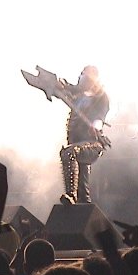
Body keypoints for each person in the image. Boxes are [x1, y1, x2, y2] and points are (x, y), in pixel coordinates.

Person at [57, 65, 110, 205]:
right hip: (77, 142)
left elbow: (100, 118)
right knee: (83, 189)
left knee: (69, 153)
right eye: (81, 75)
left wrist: (95, 126)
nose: (82, 78)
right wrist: (60, 84)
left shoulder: (101, 97)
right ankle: (82, 204)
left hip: (92, 144)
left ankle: (71, 195)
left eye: (85, 76)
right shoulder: (78, 93)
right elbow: (66, 87)